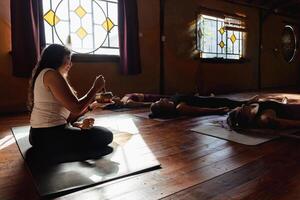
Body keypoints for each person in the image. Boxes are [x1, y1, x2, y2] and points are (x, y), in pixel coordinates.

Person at [28, 44, 113, 153]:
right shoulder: (51, 74)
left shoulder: (48, 74)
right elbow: (76, 107)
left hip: (40, 135)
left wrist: (91, 106)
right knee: (105, 135)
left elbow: (69, 115)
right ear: (57, 57)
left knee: (83, 123)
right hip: (48, 136)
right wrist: (95, 88)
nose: (71, 64)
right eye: (68, 58)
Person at [149, 94, 258, 118]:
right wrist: (216, 111)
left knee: (225, 100)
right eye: (159, 102)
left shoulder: (172, 100)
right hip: (206, 103)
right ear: (164, 108)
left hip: (200, 97)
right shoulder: (179, 107)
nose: (160, 99)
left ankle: (246, 102)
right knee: (225, 102)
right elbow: (198, 110)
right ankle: (246, 104)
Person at [227, 98, 300, 130]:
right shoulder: (265, 117)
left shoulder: (251, 107)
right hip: (294, 111)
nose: (243, 105)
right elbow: (285, 123)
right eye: (242, 109)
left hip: (287, 106)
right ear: (246, 117)